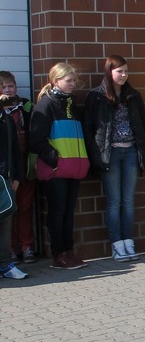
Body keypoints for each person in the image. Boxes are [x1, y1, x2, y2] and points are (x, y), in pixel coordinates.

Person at [83, 55, 145, 261]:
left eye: (126, 71)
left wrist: (142, 151)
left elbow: (143, 126)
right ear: (109, 72)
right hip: (109, 154)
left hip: (130, 152)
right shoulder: (96, 96)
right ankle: (116, 244)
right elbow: (89, 128)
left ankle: (128, 242)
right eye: (119, 71)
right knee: (114, 201)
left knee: (128, 201)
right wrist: (96, 157)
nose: (124, 75)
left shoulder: (133, 95)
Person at [30, 62, 89, 269]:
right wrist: (56, 160)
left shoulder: (71, 104)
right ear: (56, 81)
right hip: (56, 169)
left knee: (68, 212)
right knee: (58, 211)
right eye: (69, 80)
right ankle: (58, 254)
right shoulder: (45, 104)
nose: (73, 84)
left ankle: (68, 251)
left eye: (74, 80)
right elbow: (36, 140)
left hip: (73, 168)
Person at [0, 71, 37, 264]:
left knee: (25, 207)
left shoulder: (27, 106)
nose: (8, 90)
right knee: (8, 210)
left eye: (10, 86)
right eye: (3, 87)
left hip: (26, 166)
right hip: (8, 171)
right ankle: (11, 249)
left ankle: (27, 246)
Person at [0, 83, 23, 274]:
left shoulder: (6, 119)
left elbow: (15, 150)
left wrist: (17, 176)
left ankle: (6, 264)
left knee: (5, 221)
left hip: (5, 178)